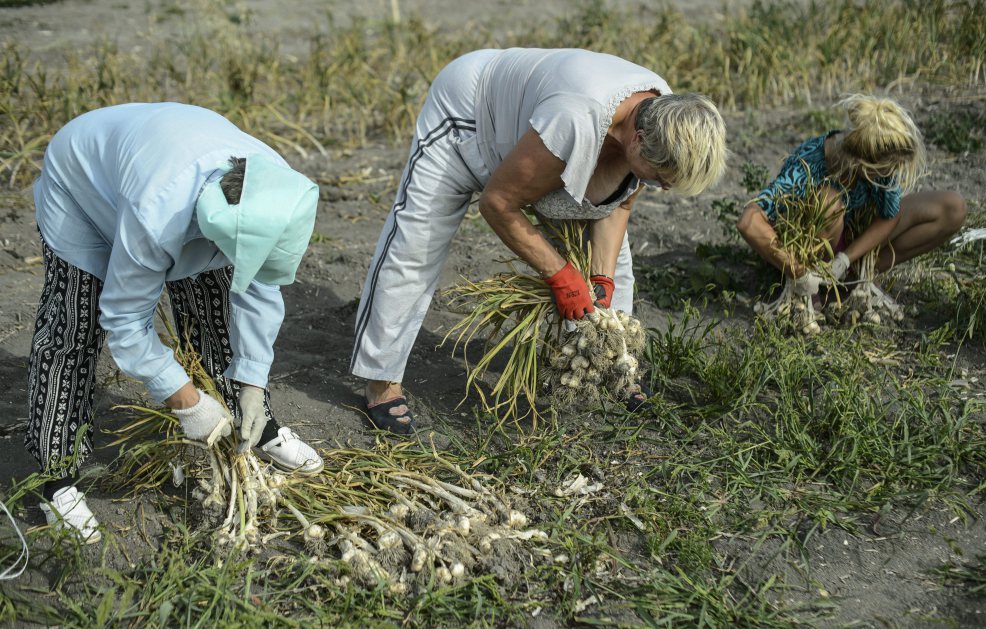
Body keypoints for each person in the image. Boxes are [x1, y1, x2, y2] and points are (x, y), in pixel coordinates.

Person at [351, 48, 728, 434]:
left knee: (615, 270)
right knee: (417, 243)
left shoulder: (665, 115)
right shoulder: (577, 117)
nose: (660, 188)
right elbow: (498, 203)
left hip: (540, 136)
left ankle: (616, 366)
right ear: (639, 139)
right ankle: (381, 380)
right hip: (470, 117)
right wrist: (561, 276)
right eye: (659, 179)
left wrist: (601, 278)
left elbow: (619, 204)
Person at [27, 102, 325, 544]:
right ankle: (56, 478)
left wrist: (253, 382)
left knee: (214, 307)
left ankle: (255, 425)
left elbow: (260, 287)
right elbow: (126, 320)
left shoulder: (274, 188)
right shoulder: (157, 213)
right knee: (75, 323)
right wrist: (187, 402)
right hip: (82, 184)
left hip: (163, 158)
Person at [737, 94, 966, 303]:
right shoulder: (807, 166)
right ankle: (814, 291)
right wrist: (799, 272)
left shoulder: (880, 162)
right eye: (885, 170)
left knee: (952, 208)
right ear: (861, 162)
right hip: (809, 253)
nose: (890, 175)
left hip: (850, 243)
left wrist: (846, 258)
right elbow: (749, 222)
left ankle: (856, 278)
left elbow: (890, 214)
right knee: (829, 202)